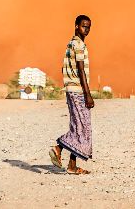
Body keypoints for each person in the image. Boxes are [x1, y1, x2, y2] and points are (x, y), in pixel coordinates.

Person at [49, 14, 94, 175]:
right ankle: (58, 147)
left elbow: (65, 68)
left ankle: (72, 166)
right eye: (83, 26)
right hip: (78, 92)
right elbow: (81, 70)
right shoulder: (79, 45)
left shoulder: (71, 44)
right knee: (84, 127)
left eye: (88, 26)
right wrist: (87, 94)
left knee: (78, 126)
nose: (86, 29)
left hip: (72, 90)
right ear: (76, 26)